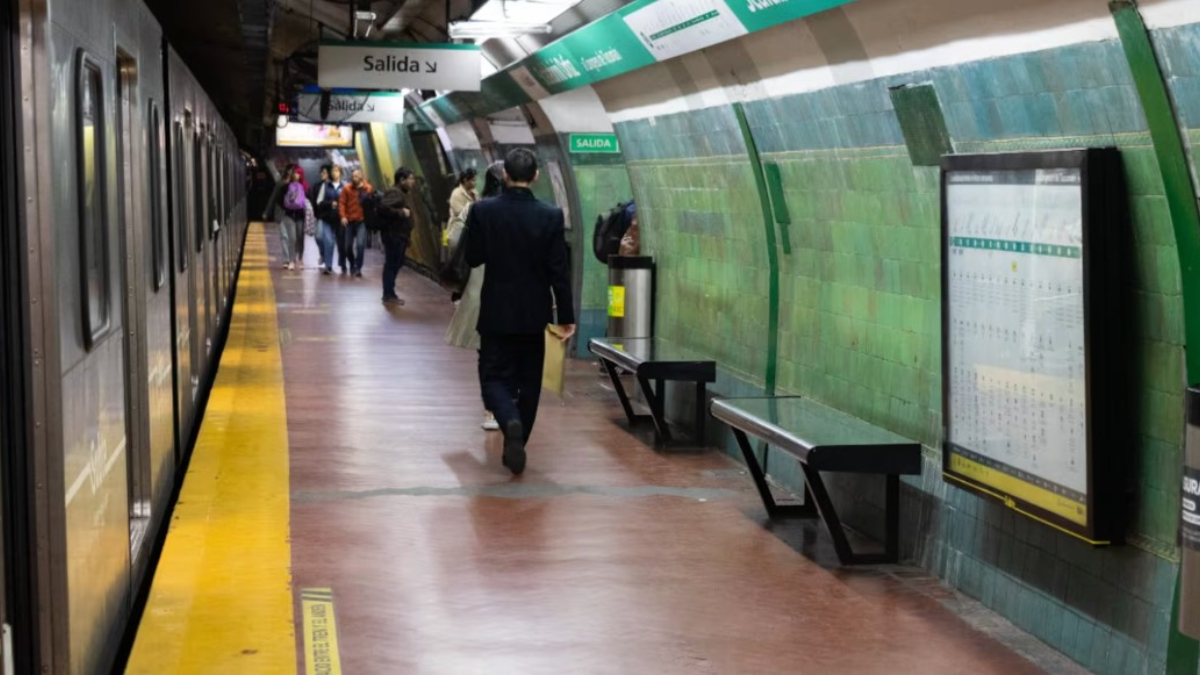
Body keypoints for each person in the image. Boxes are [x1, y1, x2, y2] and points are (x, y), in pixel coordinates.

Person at [465, 148, 575, 475]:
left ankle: (508, 420)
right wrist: (566, 316)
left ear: (504, 175)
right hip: (534, 314)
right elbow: (559, 271)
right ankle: (519, 441)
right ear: (536, 176)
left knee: (493, 378)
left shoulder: (483, 211)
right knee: (529, 382)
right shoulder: (551, 216)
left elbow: (473, 257)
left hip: (496, 311)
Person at [445, 162, 505, 431]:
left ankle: (491, 411)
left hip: (481, 288)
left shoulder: (475, 209)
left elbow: (455, 239)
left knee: (487, 351)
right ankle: (511, 401)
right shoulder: (535, 211)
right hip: (519, 294)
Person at [378, 168, 416, 305]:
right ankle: (388, 294)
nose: (413, 182)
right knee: (392, 264)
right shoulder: (395, 192)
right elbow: (382, 208)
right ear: (402, 180)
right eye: (411, 179)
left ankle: (390, 293)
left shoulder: (402, 193)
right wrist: (401, 212)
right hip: (393, 235)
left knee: (396, 264)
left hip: (399, 235)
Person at [264, 165, 305, 270]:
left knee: (292, 237)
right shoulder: (281, 184)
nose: (292, 173)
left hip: (291, 214)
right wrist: (267, 212)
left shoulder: (298, 186)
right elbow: (274, 198)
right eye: (291, 171)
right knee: (284, 236)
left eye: (294, 171)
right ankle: (286, 260)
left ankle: (292, 258)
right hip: (281, 214)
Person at [338, 169, 373, 278]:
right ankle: (352, 263)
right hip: (349, 221)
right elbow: (342, 203)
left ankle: (358, 267)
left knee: (360, 245)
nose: (354, 178)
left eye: (357, 176)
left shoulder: (367, 189)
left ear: (361, 177)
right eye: (353, 176)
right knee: (347, 247)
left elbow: (372, 203)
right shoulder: (346, 189)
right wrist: (343, 216)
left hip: (361, 221)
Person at [311, 165, 344, 275]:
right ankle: (328, 266)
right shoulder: (325, 186)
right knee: (327, 240)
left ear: (341, 173)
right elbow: (319, 202)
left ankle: (342, 263)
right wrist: (330, 204)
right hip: (326, 218)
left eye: (337, 171)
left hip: (340, 218)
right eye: (333, 171)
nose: (335, 173)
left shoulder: (345, 187)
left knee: (342, 243)